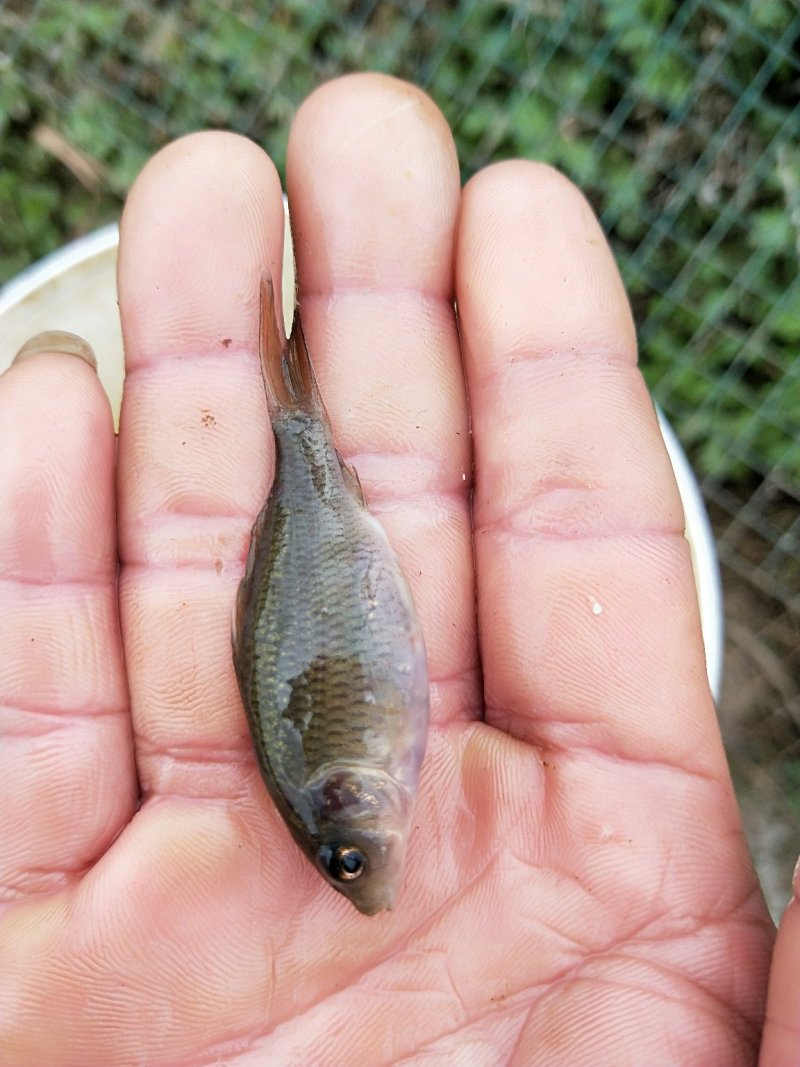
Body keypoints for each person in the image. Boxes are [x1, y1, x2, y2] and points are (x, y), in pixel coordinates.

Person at [0, 72, 793, 1066]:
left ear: (343, 803)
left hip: (322, 531)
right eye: (348, 862)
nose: (365, 874)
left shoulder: (356, 771)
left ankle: (294, 400)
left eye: (347, 855)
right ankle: (292, 396)